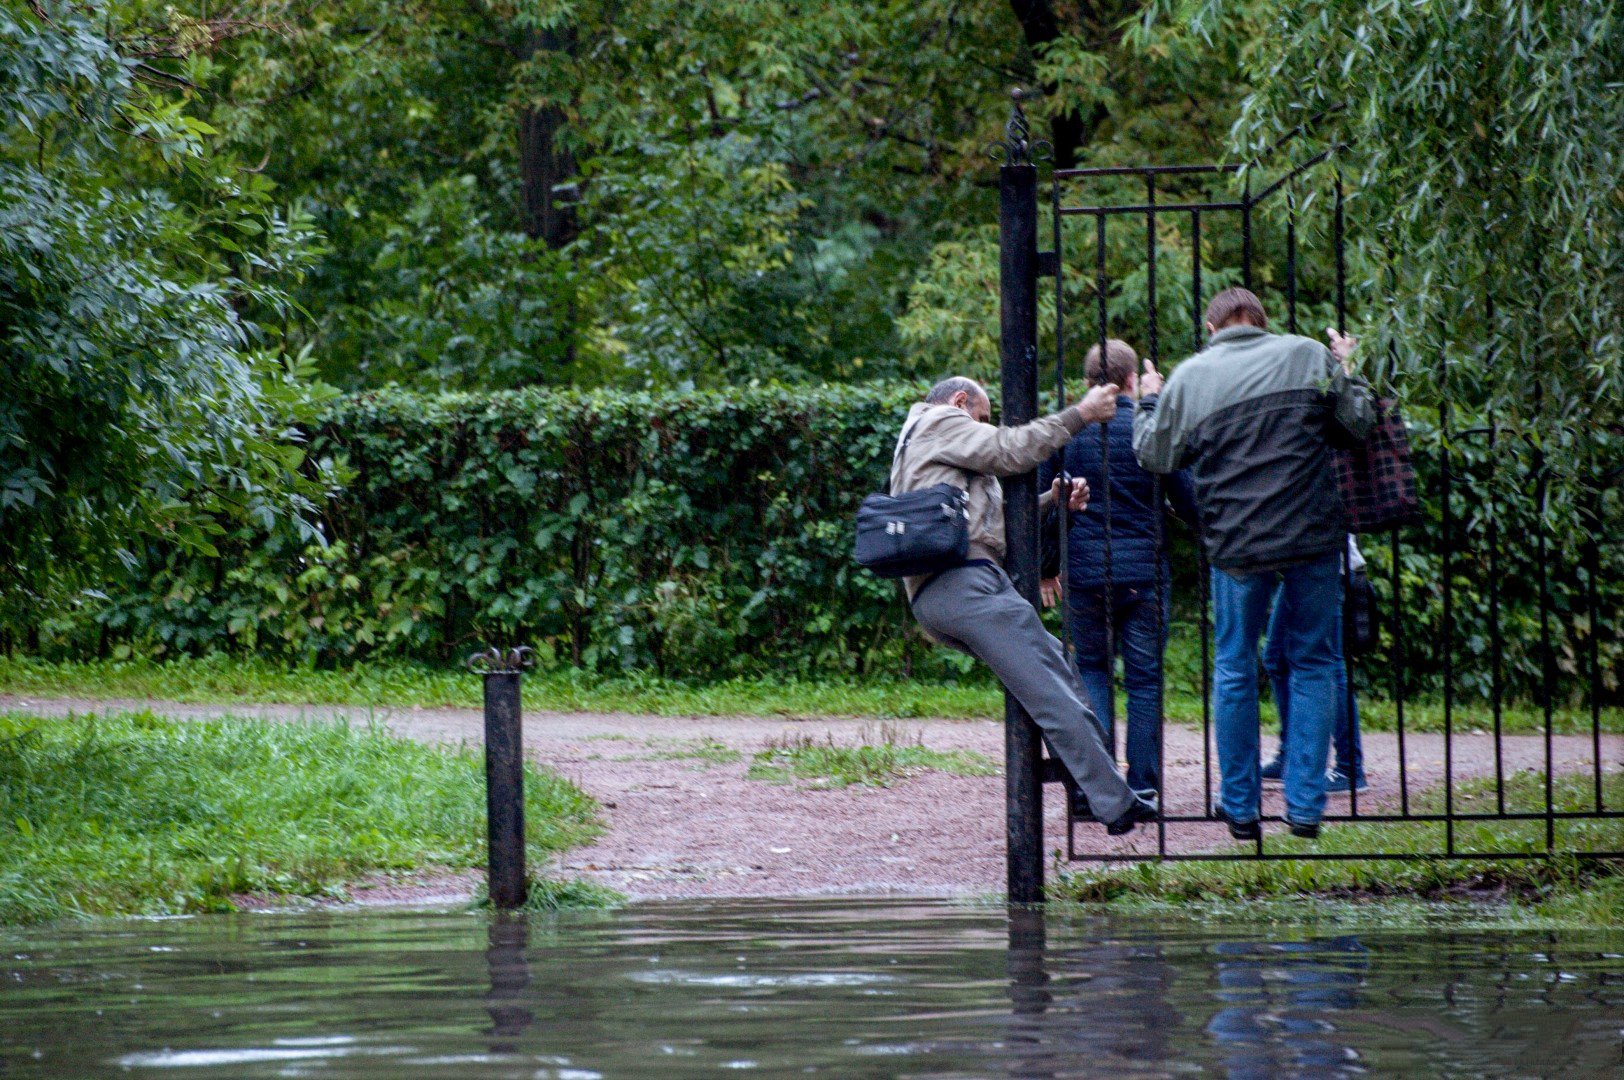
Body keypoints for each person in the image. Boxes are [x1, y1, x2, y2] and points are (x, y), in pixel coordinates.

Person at [1132, 287, 1374, 839]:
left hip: (1237, 543)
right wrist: (1349, 367)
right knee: (1315, 661)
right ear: (1263, 323)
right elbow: (1357, 424)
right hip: (1314, 535)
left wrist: (1150, 399)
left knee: (1236, 665)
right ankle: (1306, 808)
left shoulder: (1193, 374)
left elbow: (1154, 456)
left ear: (1211, 327)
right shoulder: (1308, 353)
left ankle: (1240, 809)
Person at [894, 375, 1158, 836]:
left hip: (957, 588)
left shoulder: (923, 439)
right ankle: (1114, 803)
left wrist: (1051, 500)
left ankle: (1086, 789)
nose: (985, 425)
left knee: (1058, 665)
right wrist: (1082, 414)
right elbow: (1012, 449)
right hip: (963, 587)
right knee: (1050, 690)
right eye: (983, 416)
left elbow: (988, 524)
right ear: (960, 402)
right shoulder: (940, 421)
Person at [1038, 339, 1197, 804]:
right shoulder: (1148, 429)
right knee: (1145, 681)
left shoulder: (1066, 433)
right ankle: (1143, 784)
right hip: (1143, 574)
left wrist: (1048, 568)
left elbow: (1046, 505)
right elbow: (1188, 501)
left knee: (1091, 673)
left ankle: (1095, 789)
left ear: (1086, 383)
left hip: (1084, 575)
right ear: (1132, 381)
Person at [1262, 536, 1368, 792]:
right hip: (1305, 562)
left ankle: (1349, 768)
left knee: (1329, 664)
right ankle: (1292, 756)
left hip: (1326, 562)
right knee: (1277, 659)